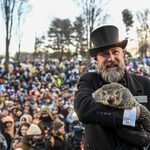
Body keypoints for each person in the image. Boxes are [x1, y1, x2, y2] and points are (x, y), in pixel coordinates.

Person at [74, 25, 150, 150]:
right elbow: (83, 109)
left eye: (115, 52)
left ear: (123, 53)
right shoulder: (89, 81)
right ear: (96, 59)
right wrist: (130, 115)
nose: (111, 58)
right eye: (104, 54)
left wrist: (147, 141)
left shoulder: (144, 83)